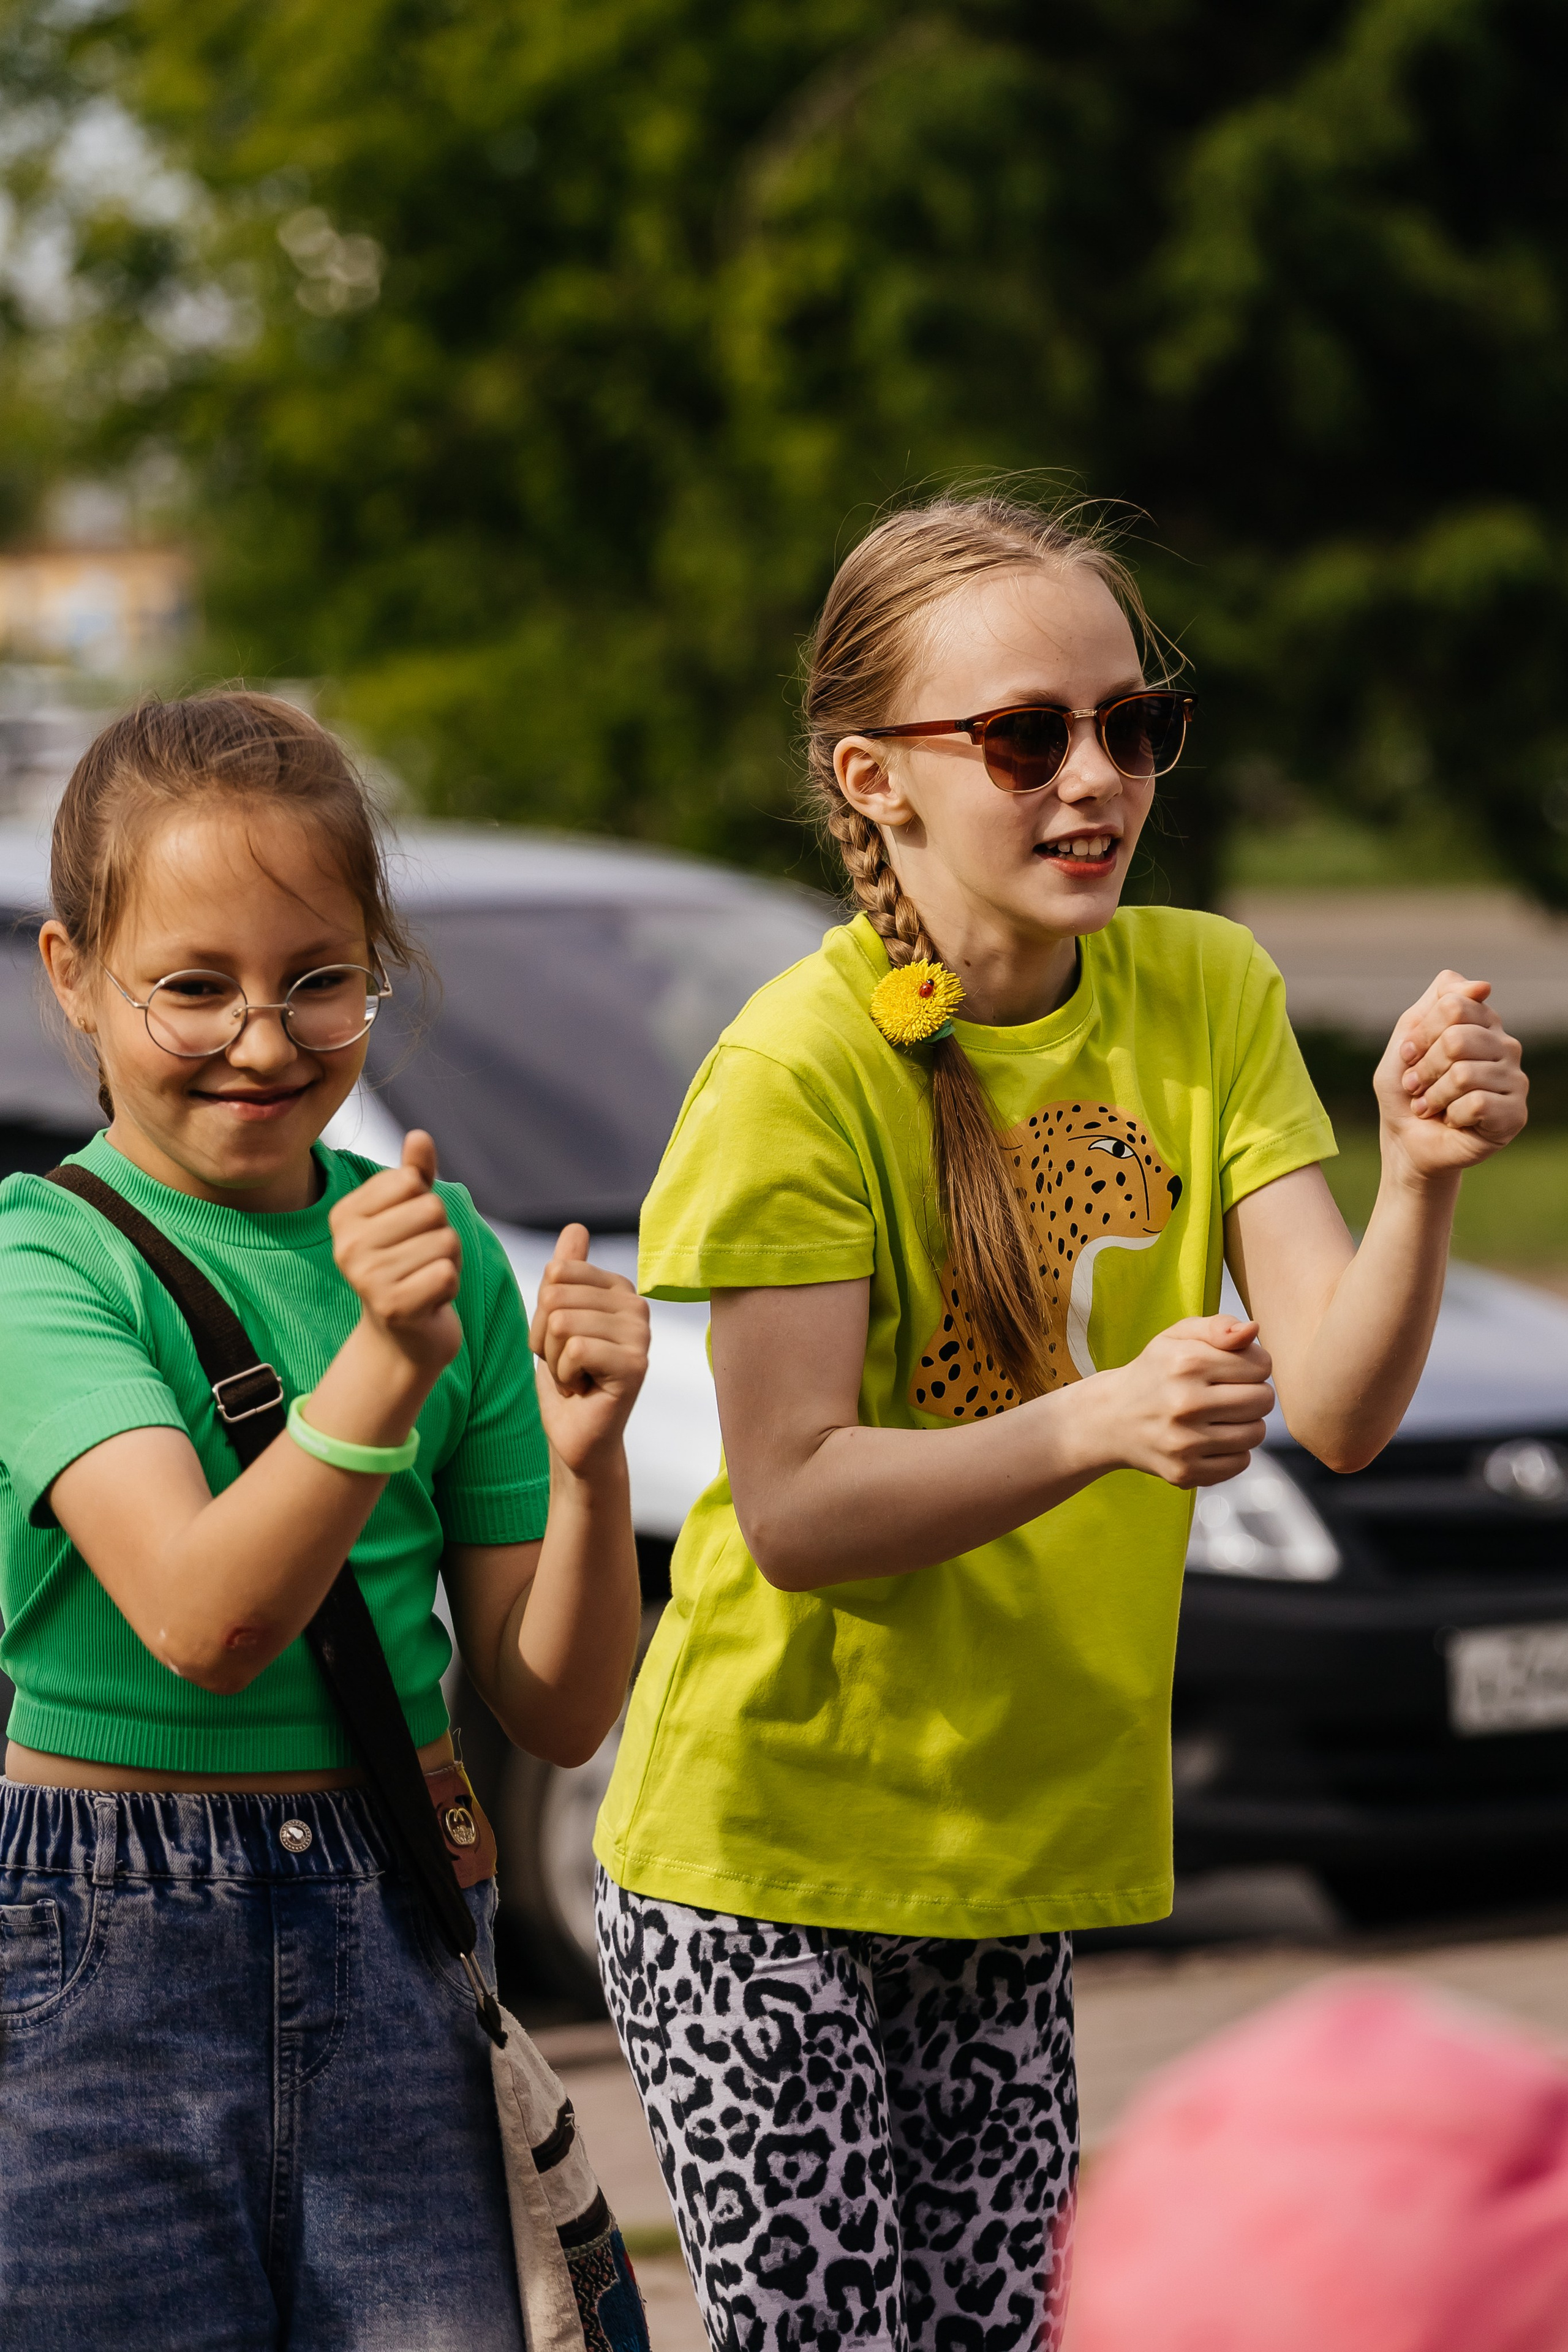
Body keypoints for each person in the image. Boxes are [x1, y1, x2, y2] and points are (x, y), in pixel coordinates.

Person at [592, 491, 1529, 2352]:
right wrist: (1099, 1424)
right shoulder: (799, 1064)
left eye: (1135, 725)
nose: (1094, 777)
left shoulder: (1208, 992)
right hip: (757, 1864)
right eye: (1027, 738)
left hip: (1010, 1852)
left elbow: (1335, 1407)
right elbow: (790, 1505)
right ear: (879, 779)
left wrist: (1420, 1177)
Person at [0, 692, 650, 2351]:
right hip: (100, 1948)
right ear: (75, 977)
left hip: (395, 1919)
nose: (266, 1040)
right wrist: (375, 1368)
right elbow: (206, 1626)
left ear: (379, 966)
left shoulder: (442, 1271)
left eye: (319, 981)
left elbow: (561, 1705)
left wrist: (590, 1474)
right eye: (193, 987)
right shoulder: (43, 1262)